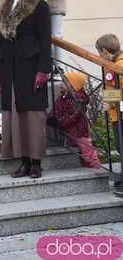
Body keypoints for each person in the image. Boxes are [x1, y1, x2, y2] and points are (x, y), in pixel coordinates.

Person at [0, 0, 52, 179]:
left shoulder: (39, 6)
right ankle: (23, 161)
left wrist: (43, 70)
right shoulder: (4, 6)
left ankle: (36, 163)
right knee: (14, 115)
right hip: (8, 66)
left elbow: (45, 40)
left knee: (33, 115)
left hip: (30, 65)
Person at [49, 72, 100, 169]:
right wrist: (52, 117)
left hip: (80, 133)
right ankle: (84, 167)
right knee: (76, 154)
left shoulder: (79, 99)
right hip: (68, 132)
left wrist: (60, 122)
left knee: (87, 152)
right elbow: (56, 109)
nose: (61, 84)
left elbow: (74, 115)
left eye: (64, 82)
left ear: (73, 85)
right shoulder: (61, 98)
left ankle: (96, 169)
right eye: (61, 81)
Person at [95, 33, 123, 196]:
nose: (99, 56)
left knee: (121, 146)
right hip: (117, 113)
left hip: (120, 113)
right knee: (120, 147)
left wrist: (110, 101)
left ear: (105, 51)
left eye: (99, 53)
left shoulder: (118, 66)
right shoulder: (113, 65)